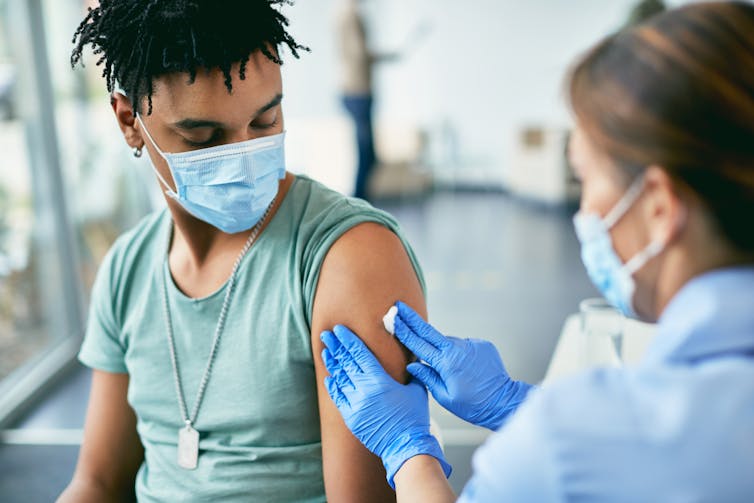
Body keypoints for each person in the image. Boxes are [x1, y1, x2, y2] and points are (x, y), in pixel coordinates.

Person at [320, 2, 754, 501]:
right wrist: (512, 403)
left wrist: (407, 449)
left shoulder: (562, 448)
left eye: (584, 178)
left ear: (659, 207)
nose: (584, 209)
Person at [58, 1, 428, 502]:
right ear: (130, 121)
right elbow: (97, 482)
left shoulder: (345, 257)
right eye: (203, 138)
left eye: (264, 120)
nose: (243, 158)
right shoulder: (127, 269)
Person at [335, 0, 399, 200]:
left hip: (356, 91)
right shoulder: (350, 16)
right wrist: (386, 56)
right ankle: (359, 202)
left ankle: (362, 201)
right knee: (366, 155)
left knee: (369, 154)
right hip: (357, 92)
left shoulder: (347, 15)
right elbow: (358, 54)